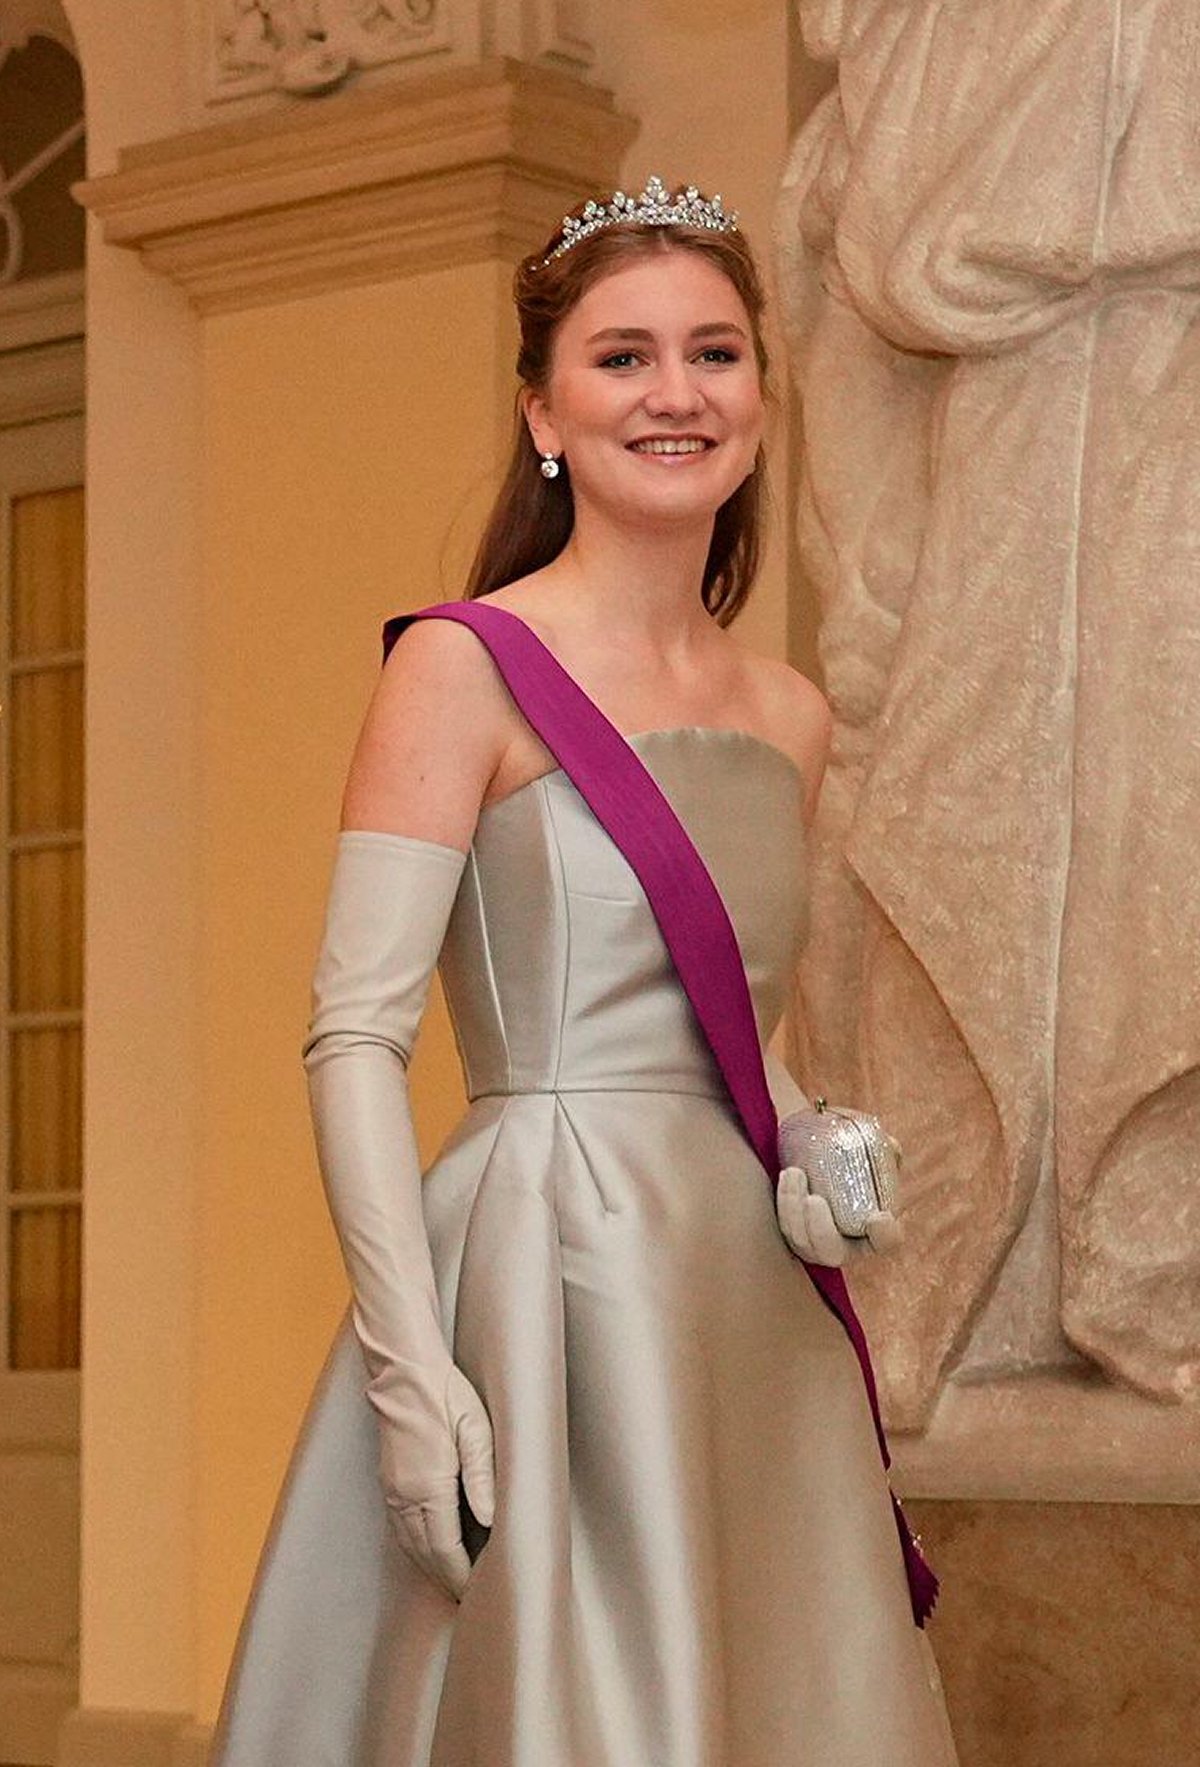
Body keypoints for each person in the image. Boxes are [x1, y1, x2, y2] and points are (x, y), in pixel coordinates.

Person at [207, 175, 959, 1766]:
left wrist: (821, 1152)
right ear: (544, 410)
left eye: (715, 352)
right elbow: (351, 1039)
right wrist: (413, 1381)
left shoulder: (792, 713)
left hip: (742, 1306)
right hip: (547, 1274)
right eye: (622, 358)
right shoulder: (461, 665)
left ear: (762, 395)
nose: (675, 394)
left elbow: (747, 1043)